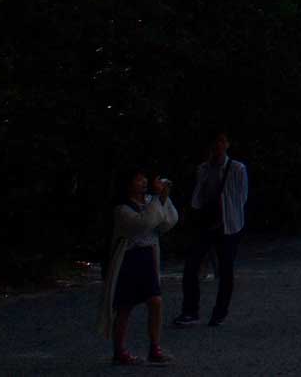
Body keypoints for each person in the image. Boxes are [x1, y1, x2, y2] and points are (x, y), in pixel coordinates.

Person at [101, 169, 179, 366]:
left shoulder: (149, 201)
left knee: (155, 301)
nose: (143, 182)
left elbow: (168, 222)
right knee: (125, 307)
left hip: (148, 255)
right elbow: (144, 224)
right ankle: (119, 351)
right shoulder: (122, 209)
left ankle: (155, 347)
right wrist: (158, 201)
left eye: (144, 178)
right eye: (137, 179)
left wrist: (162, 199)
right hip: (129, 258)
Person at [175, 133, 247, 328]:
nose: (218, 146)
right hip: (206, 223)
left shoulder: (237, 169)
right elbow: (199, 194)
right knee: (191, 267)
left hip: (228, 224)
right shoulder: (204, 169)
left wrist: (228, 215)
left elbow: (241, 197)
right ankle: (191, 310)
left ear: (227, 144)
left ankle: (219, 312)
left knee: (225, 270)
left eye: (222, 142)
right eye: (215, 142)